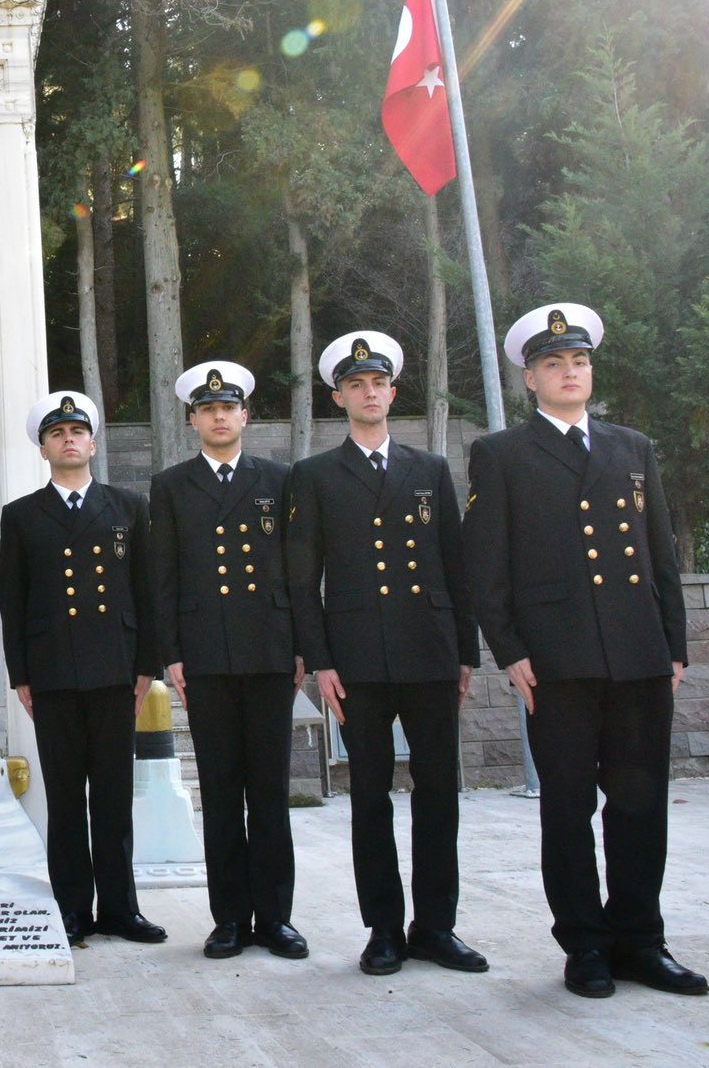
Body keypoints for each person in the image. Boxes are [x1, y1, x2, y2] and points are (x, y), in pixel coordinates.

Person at [466, 303, 707, 999]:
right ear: (530, 379)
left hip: (638, 654)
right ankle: (586, 946)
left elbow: (660, 554)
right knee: (567, 811)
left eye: (578, 361)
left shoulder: (632, 448)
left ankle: (641, 941)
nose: (569, 373)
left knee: (640, 805)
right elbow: (486, 566)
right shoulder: (502, 454)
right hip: (557, 660)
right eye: (553, 364)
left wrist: (674, 646)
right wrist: (510, 651)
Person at [286, 331, 487, 977]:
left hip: (429, 652)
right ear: (338, 397)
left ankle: (436, 927)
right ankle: (383, 930)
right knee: (369, 797)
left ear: (393, 394)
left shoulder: (428, 470)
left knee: (439, 793)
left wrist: (465, 652)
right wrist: (321, 662)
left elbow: (455, 565)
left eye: (378, 383)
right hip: (358, 662)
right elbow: (302, 580)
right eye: (356, 384)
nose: (369, 392)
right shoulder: (314, 476)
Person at [151, 361, 306, 961]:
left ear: (245, 415)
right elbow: (163, 576)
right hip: (206, 655)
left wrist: (302, 646)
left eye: (229, 408)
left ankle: (276, 918)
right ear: (193, 420)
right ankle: (229, 920)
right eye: (208, 409)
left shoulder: (280, 480)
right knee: (219, 792)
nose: (219, 417)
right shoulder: (172, 486)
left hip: (269, 650)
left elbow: (298, 571)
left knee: (269, 790)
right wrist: (172, 654)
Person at [0, 391, 164, 946]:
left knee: (114, 796)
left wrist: (147, 665)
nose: (68, 440)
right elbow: (12, 599)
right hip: (52, 673)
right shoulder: (21, 515)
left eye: (76, 432)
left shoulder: (128, 508)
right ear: (43, 449)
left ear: (93, 444)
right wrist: (21, 674)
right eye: (56, 434)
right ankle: (72, 908)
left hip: (115, 670)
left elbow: (146, 590)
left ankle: (121, 908)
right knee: (65, 797)